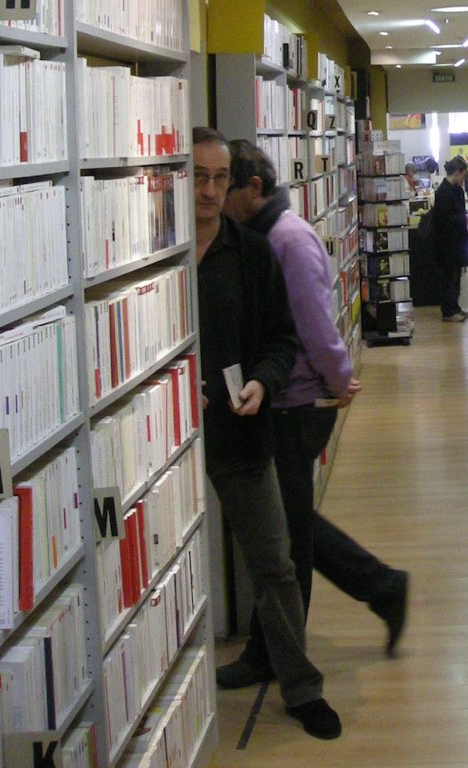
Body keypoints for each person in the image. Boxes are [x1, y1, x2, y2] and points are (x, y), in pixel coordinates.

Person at [216, 139, 410, 690]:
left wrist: (339, 379)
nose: (216, 199)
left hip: (298, 404)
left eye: (225, 187)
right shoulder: (262, 236)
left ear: (253, 188)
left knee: (288, 539)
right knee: (289, 522)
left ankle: (274, 654)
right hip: (280, 401)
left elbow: (316, 326)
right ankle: (383, 588)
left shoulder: (289, 239)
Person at [191, 127, 341, 740]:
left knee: (276, 562)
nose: (209, 191)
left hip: (238, 429)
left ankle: (302, 688)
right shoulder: (156, 256)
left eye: (219, 178)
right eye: (197, 176)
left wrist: (262, 382)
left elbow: (281, 339)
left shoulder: (253, 254)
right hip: (162, 440)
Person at [432, 155, 468, 322]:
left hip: (457, 241)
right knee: (448, 277)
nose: (464, 179)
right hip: (447, 243)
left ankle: (455, 306)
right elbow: (443, 219)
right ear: (457, 173)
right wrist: (463, 218)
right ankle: (448, 310)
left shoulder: (456, 191)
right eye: (463, 175)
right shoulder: (443, 192)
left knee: (456, 276)